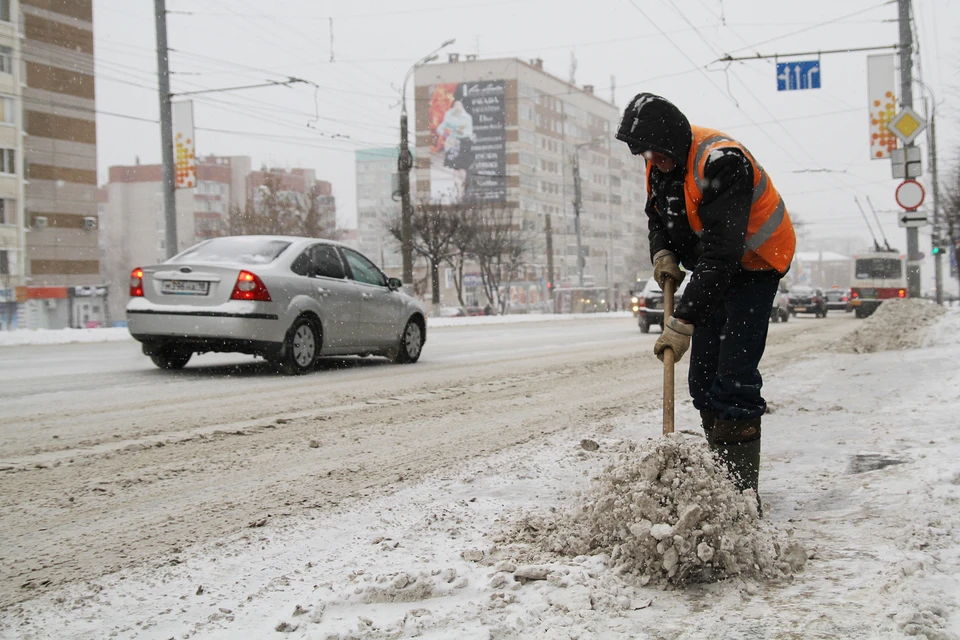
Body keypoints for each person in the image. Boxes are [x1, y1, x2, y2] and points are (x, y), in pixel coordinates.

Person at [615, 93, 796, 509]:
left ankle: (740, 496)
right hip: (715, 269)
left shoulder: (722, 161)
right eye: (645, 155)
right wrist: (663, 253)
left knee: (734, 378)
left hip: (757, 263)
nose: (651, 162)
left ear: (674, 144)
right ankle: (720, 474)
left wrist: (681, 323)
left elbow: (722, 254)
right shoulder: (660, 164)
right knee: (702, 381)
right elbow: (657, 216)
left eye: (657, 154)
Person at [436, 100, 475, 200]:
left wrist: (458, 132)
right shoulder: (449, 118)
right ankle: (459, 192)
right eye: (456, 105)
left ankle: (462, 190)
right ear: (453, 107)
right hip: (453, 144)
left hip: (464, 144)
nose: (458, 107)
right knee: (456, 168)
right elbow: (440, 128)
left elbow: (467, 132)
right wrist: (447, 135)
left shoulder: (467, 118)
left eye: (460, 105)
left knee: (463, 168)